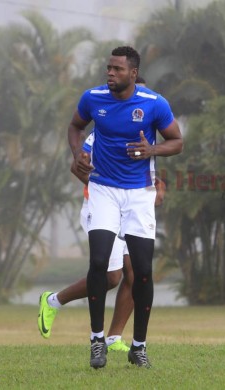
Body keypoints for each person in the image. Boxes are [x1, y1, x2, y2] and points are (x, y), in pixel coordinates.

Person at [67, 46, 183, 369]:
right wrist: (78, 153)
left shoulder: (154, 104)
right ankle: (96, 340)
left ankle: (139, 346)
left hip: (139, 194)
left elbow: (178, 142)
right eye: (108, 68)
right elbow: (75, 127)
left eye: (117, 69)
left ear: (133, 74)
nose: (110, 73)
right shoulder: (93, 98)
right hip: (103, 188)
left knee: (143, 272)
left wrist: (152, 149)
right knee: (100, 262)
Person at [37, 77, 159, 354]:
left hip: (133, 207)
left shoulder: (146, 125)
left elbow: (150, 164)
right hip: (102, 207)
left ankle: (115, 337)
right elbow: (77, 166)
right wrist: (102, 186)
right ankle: (53, 300)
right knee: (113, 276)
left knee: (134, 273)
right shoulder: (99, 132)